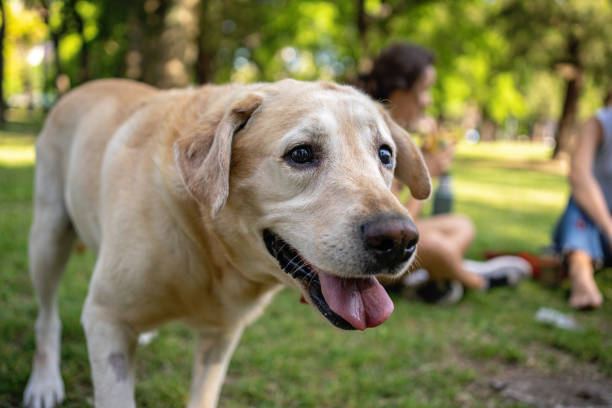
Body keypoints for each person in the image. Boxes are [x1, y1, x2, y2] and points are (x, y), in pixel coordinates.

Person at [357, 43, 531, 303]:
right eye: (423, 90)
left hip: (381, 241)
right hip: (366, 248)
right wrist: (423, 179)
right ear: (399, 89)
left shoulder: (386, 131)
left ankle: (429, 278)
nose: (427, 101)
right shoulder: (371, 134)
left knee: (462, 225)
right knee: (437, 246)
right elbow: (399, 227)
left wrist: (416, 166)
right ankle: (478, 280)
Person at [553, 90, 612, 309]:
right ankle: (580, 271)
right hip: (590, 224)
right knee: (579, 208)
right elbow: (579, 178)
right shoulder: (598, 124)